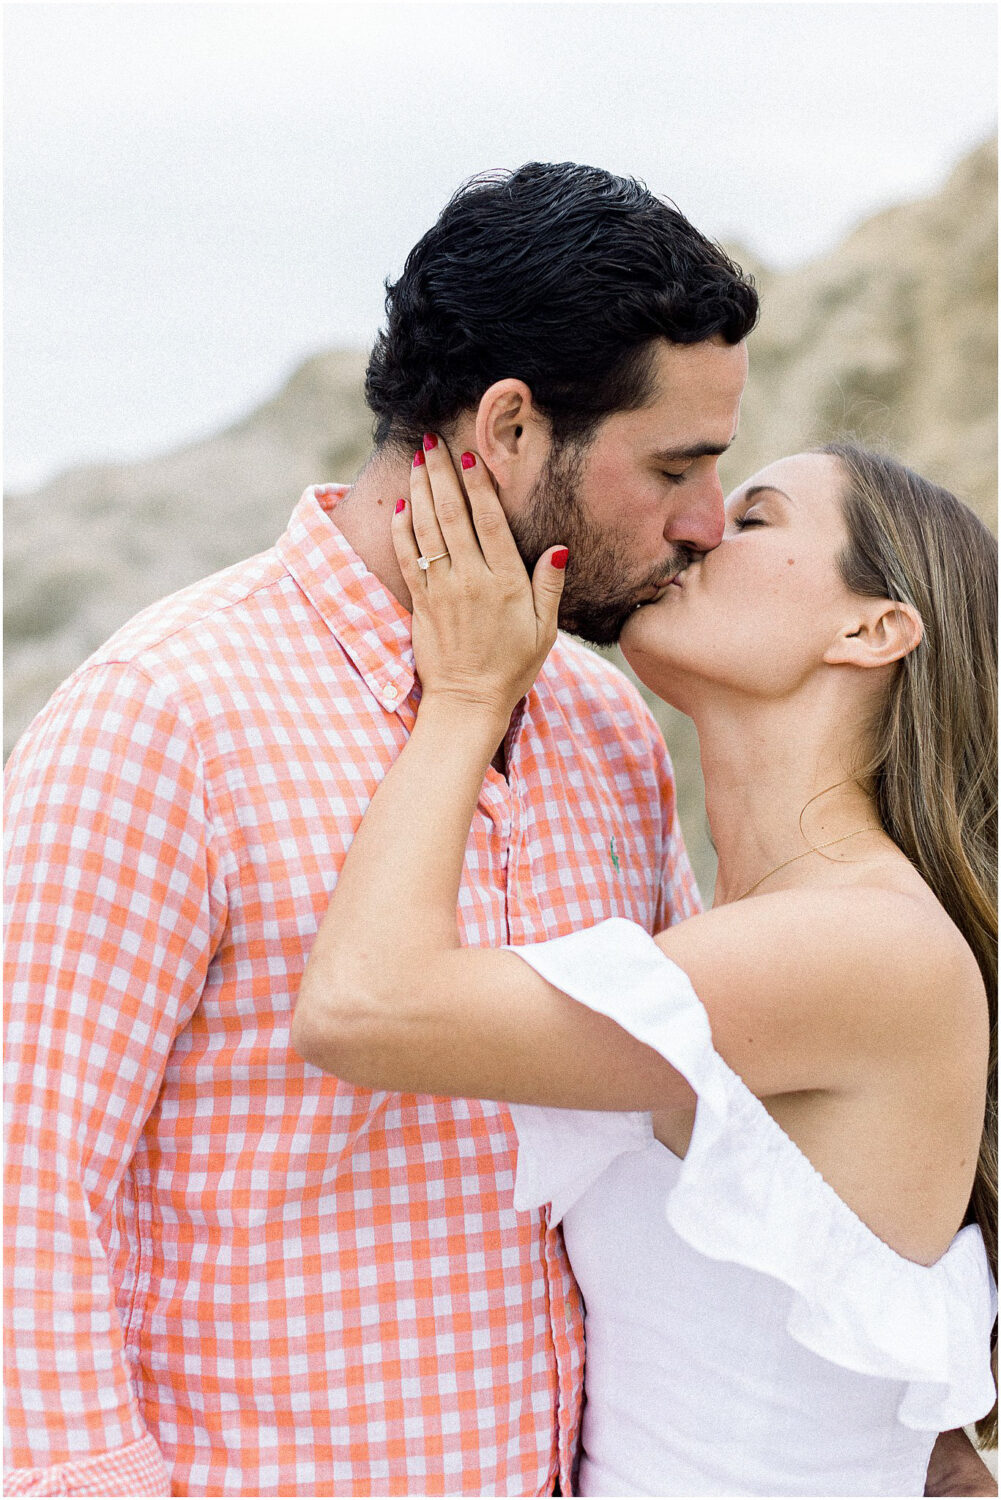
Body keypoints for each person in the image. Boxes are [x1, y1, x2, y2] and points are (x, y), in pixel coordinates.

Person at [3, 157, 991, 1498]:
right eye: (678, 467)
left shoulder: (606, 737)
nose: (700, 524)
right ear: (513, 430)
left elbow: (754, 1162)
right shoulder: (167, 716)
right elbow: (29, 1187)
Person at [292, 438, 998, 1496]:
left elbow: (361, 1009)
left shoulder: (863, 942)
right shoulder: (758, 929)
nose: (703, 527)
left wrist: (467, 699)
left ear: (870, 627)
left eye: (754, 518)